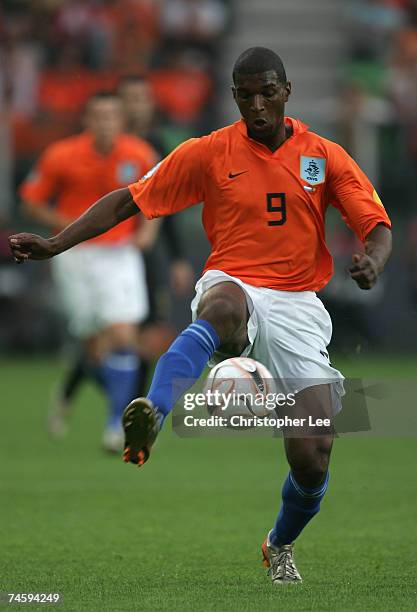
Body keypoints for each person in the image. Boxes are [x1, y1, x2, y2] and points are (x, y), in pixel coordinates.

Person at [10, 47, 392, 584]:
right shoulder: (209, 152)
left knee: (312, 456)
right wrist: (56, 242)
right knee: (223, 305)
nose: (257, 104)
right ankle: (156, 408)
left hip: (299, 306)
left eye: (267, 92)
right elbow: (129, 200)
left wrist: (373, 261)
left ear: (286, 91)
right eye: (245, 94)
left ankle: (278, 542)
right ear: (233, 96)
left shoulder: (323, 156)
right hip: (233, 281)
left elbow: (376, 224)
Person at [19, 90, 160, 452]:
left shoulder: (139, 153)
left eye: (112, 116)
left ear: (121, 120)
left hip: (119, 255)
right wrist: (62, 225)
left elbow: (161, 197)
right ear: (88, 120)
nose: (105, 123)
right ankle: (76, 391)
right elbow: (31, 199)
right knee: (94, 348)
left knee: (124, 336)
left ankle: (116, 426)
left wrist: (145, 232)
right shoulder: (61, 155)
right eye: (98, 116)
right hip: (75, 255)